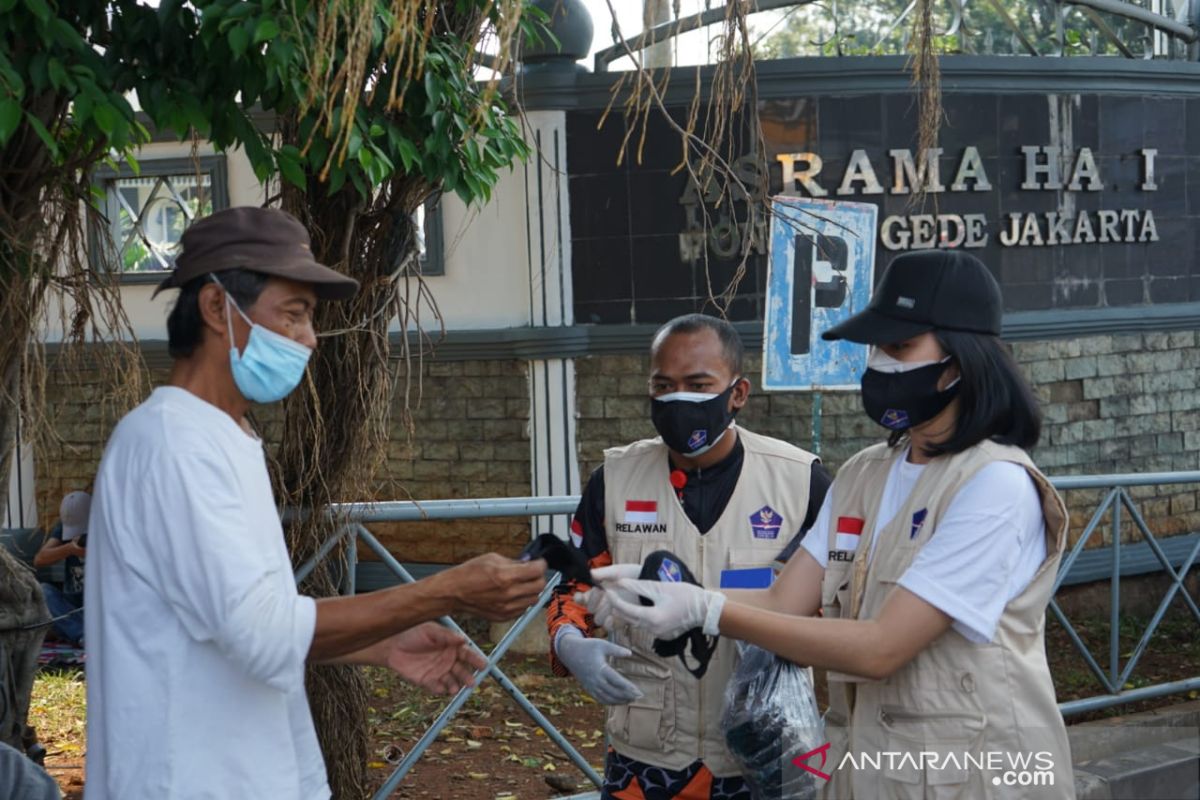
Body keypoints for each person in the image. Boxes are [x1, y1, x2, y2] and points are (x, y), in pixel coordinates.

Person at [83, 207, 547, 800]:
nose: (308, 338)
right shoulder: (174, 443)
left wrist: (378, 643)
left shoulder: (225, 437)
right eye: (294, 314)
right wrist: (446, 589)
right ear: (216, 308)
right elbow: (263, 632)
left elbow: (231, 621)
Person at [587, 250, 1076, 799]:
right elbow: (780, 604)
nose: (879, 363)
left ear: (959, 362)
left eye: (898, 347)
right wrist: (661, 596)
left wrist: (705, 609)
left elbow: (881, 648)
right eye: (875, 347)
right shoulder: (864, 476)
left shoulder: (995, 486)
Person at [547, 313, 831, 800]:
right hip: (648, 755)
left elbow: (838, 605)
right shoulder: (614, 481)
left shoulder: (800, 482)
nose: (679, 398)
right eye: (664, 384)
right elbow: (575, 587)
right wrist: (570, 644)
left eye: (699, 384)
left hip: (769, 749)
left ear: (737, 393)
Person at [33, 491, 90, 647]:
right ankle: (83, 635)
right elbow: (40, 559)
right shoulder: (63, 527)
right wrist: (69, 549)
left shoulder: (108, 527)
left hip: (96, 605)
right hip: (70, 606)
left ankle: (77, 633)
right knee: (43, 591)